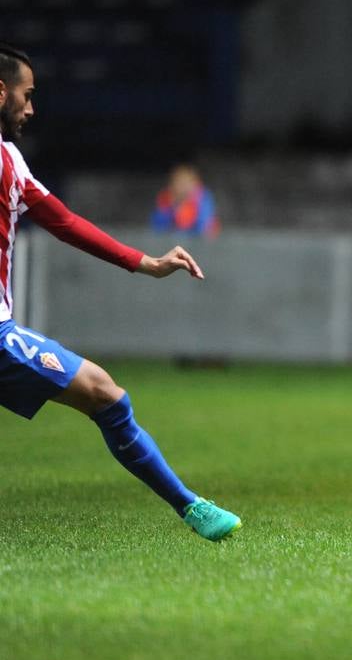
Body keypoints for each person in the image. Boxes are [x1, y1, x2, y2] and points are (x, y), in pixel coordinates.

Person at [0, 44, 240, 541]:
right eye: (26, 95)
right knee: (107, 396)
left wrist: (143, 262)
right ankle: (190, 507)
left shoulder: (11, 163)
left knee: (106, 394)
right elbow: (65, 224)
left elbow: (63, 223)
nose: (31, 108)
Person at [151, 163, 220, 238]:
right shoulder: (166, 197)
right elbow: (157, 226)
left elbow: (203, 226)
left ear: (195, 183)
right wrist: (174, 207)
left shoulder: (204, 198)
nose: (183, 187)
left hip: (200, 240)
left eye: (186, 183)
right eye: (179, 183)